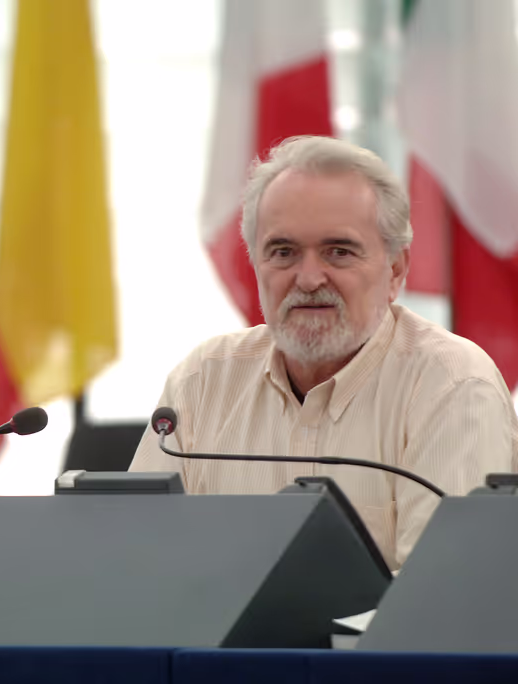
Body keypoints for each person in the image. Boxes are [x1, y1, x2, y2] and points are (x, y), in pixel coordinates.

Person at [130, 136, 518, 570]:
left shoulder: (452, 385)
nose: (310, 278)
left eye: (339, 251)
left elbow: (444, 596)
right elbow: (138, 567)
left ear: (395, 270)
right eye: (284, 252)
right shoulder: (202, 381)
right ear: (257, 264)